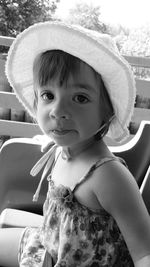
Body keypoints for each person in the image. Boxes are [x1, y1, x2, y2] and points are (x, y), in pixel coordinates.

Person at [0, 21, 150, 267]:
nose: (58, 111)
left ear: (107, 111)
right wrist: (51, 142)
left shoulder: (109, 177)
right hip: (47, 247)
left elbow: (145, 253)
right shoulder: (62, 149)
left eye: (80, 98)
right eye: (48, 95)